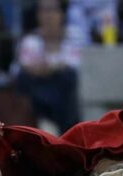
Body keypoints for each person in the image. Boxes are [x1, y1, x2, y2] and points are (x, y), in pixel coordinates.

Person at [16, 0, 82, 134]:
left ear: (62, 14)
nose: (48, 15)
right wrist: (46, 69)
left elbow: (77, 65)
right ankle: (49, 121)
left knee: (66, 77)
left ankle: (52, 122)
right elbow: (24, 66)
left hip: (64, 88)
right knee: (24, 78)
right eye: (43, 10)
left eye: (52, 10)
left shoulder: (75, 36)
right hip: (38, 86)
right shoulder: (30, 40)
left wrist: (51, 68)